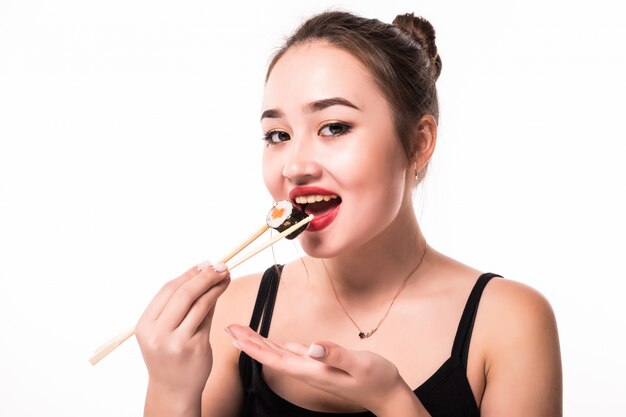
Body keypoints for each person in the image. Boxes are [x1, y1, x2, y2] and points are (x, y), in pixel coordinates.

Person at [135, 11, 562, 417]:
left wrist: (392, 400)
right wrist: (171, 390)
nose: (295, 166)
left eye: (334, 127)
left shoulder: (509, 321)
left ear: (419, 142)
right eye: (278, 135)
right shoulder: (232, 313)